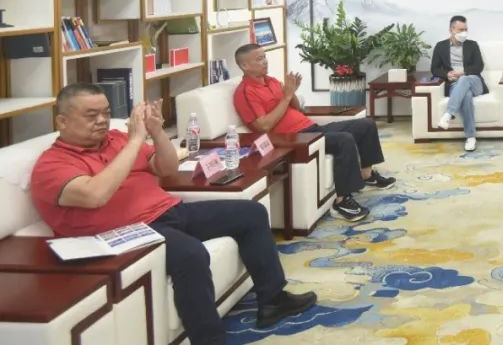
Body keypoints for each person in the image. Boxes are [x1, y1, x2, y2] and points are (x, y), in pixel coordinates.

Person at [30, 84, 317, 345]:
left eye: (106, 113)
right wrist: (135, 141)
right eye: (91, 115)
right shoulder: (52, 164)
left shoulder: (116, 140)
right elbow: (95, 195)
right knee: (191, 254)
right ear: (62, 121)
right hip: (126, 233)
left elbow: (166, 168)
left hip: (168, 211)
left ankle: (273, 300)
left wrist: (156, 133)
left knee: (251, 213)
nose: (102, 121)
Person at [233, 44, 395, 223]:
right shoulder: (245, 92)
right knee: (344, 140)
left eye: (264, 57)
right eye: (259, 59)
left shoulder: (271, 81)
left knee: (366, 124)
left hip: (310, 128)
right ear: (244, 65)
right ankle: (342, 202)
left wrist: (291, 92)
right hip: (291, 139)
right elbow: (264, 126)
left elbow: (296, 108)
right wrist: (286, 96)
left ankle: (367, 175)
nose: (265, 61)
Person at [430, 15, 486, 152]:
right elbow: (434, 69)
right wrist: (447, 74)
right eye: (461, 30)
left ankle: (448, 113)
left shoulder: (472, 45)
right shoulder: (440, 46)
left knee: (464, 79)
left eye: (466, 29)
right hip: (455, 84)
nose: (464, 33)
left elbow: (479, 66)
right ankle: (471, 137)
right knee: (466, 96)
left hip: (474, 81)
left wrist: (462, 72)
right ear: (451, 30)